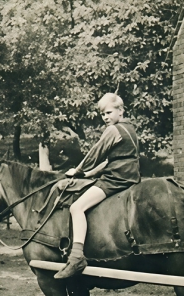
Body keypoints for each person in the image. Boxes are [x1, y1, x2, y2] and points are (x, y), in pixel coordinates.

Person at [55, 93, 140, 279]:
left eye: (109, 112)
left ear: (120, 110)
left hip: (116, 179)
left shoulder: (113, 130)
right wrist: (88, 175)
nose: (106, 117)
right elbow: (110, 160)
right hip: (130, 177)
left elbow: (95, 154)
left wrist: (77, 171)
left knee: (77, 207)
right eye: (103, 114)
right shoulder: (130, 129)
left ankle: (76, 257)